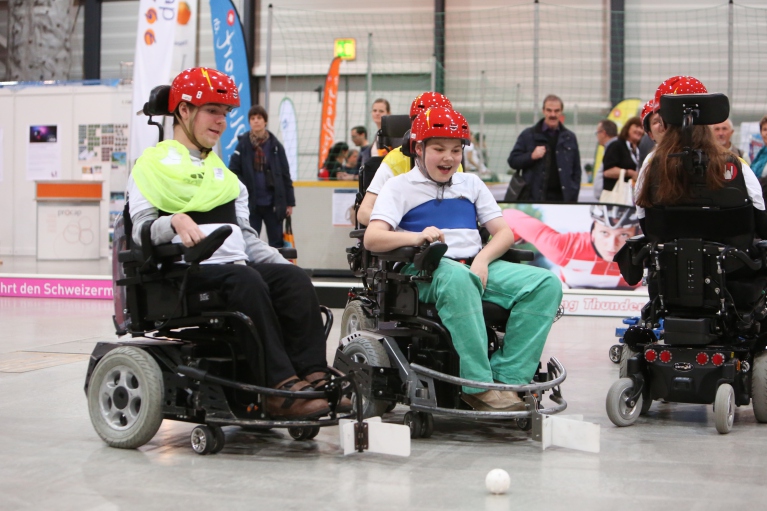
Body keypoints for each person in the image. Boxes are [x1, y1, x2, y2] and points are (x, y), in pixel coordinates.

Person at [127, 67, 339, 419]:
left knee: (293, 279)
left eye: (224, 113)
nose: (221, 121)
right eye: (212, 110)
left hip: (234, 271)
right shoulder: (150, 167)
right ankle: (278, 386)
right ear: (183, 110)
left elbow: (247, 238)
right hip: (183, 275)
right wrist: (175, 221)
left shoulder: (227, 179)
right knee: (247, 281)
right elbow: (140, 232)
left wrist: (278, 262)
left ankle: (314, 375)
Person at [364, 106, 562, 412]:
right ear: (419, 148)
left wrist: (482, 260)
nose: (448, 158)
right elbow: (373, 237)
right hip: (425, 270)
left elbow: (504, 234)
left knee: (546, 283)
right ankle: (478, 386)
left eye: (456, 150)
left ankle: (510, 380)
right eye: (439, 149)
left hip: (474, 264)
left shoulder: (471, 184)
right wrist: (414, 237)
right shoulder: (398, 187)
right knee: (459, 278)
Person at [635, 76, 767, 239]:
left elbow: (645, 222)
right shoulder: (735, 164)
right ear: (709, 117)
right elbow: (761, 218)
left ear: (662, 122)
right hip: (731, 262)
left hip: (668, 262)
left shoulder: (651, 165)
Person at [357, 91, 458, 225]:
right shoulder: (395, 160)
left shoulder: (453, 162)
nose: (448, 158)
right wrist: (405, 226)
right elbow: (364, 212)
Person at [502, 205, 641, 289]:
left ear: (637, 234)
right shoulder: (565, 247)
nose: (612, 245)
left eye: (623, 235)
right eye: (604, 233)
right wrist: (513, 238)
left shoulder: (646, 251)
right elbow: (507, 215)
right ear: (592, 233)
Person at [229, 105, 295, 249]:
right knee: (250, 240)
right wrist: (244, 187)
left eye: (259, 118)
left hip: (273, 203)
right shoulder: (242, 145)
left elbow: (285, 174)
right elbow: (233, 171)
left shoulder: (276, 145)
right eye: (252, 118)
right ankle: (253, 270)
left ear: (265, 121)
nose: (256, 121)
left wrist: (289, 202)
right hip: (251, 203)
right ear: (249, 122)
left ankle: (277, 270)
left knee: (277, 241)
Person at [507, 94, 581, 202]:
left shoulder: (570, 137)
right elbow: (513, 161)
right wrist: (531, 156)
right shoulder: (528, 135)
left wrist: (572, 194)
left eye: (556, 111)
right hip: (534, 199)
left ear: (561, 112)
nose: (552, 114)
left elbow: (576, 170)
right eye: (549, 110)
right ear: (543, 111)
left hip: (563, 201)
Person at [602, 116, 643, 193]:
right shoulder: (616, 145)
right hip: (615, 195)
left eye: (641, 128)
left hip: (632, 194)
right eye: (636, 126)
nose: (639, 130)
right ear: (628, 128)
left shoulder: (638, 149)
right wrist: (629, 173)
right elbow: (607, 172)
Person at [592, 119, 619, 201]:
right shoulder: (610, 148)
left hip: (611, 199)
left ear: (603, 133)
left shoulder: (615, 148)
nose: (597, 136)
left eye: (597, 133)